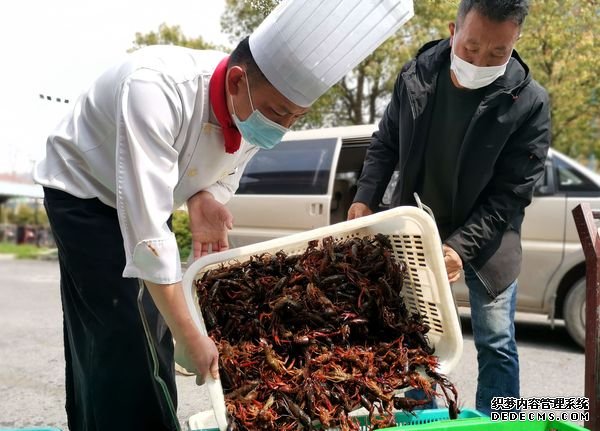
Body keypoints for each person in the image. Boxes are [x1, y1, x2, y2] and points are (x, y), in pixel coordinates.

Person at [33, 1, 416, 429]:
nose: (283, 127)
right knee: (118, 325)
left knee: (148, 326)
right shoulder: (155, 90)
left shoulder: (255, 110)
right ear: (237, 81)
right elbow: (149, 236)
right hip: (84, 188)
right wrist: (191, 336)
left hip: (138, 197)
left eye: (296, 117)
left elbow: (224, 171)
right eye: (278, 113)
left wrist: (205, 197)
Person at [348, 0, 550, 416]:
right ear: (453, 29)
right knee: (415, 336)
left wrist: (461, 247)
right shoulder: (417, 74)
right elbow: (386, 141)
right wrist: (365, 196)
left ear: (516, 41)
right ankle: (420, 419)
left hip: (489, 239)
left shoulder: (530, 103)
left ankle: (500, 422)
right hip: (417, 230)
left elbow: (511, 194)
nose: (481, 61)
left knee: (495, 341)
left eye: (498, 53)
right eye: (472, 48)